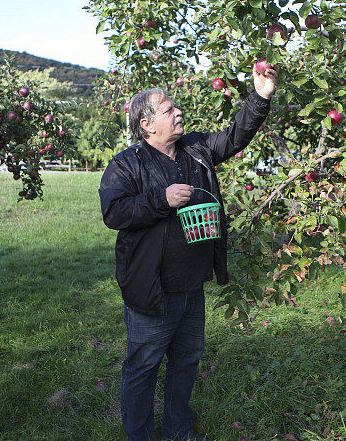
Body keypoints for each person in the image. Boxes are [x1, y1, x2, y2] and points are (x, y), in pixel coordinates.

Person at [99, 64, 278, 441]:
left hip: (191, 284)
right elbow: (114, 213)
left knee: (186, 363)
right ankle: (139, 436)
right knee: (143, 367)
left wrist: (260, 97)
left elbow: (233, 137)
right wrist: (160, 199)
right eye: (168, 109)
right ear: (147, 124)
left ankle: (179, 430)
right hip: (152, 288)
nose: (178, 112)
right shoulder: (126, 165)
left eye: (176, 107)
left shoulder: (195, 151)